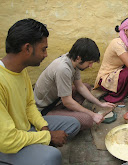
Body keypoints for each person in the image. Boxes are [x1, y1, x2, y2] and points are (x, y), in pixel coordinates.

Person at [0, 18, 81, 165]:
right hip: (6, 145)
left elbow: (29, 105)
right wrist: (48, 136)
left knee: (73, 124)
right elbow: (7, 140)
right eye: (43, 49)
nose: (45, 55)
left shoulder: (20, 70)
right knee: (52, 157)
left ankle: (36, 149)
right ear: (27, 48)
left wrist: (43, 127)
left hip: (27, 128)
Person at [34, 38, 116, 130]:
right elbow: (67, 101)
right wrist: (92, 115)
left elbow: (80, 86)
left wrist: (100, 104)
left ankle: (67, 113)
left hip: (58, 99)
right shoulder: (63, 69)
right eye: (89, 63)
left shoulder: (73, 61)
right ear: (79, 58)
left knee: (86, 86)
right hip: (45, 109)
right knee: (87, 120)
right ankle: (61, 115)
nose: (90, 66)